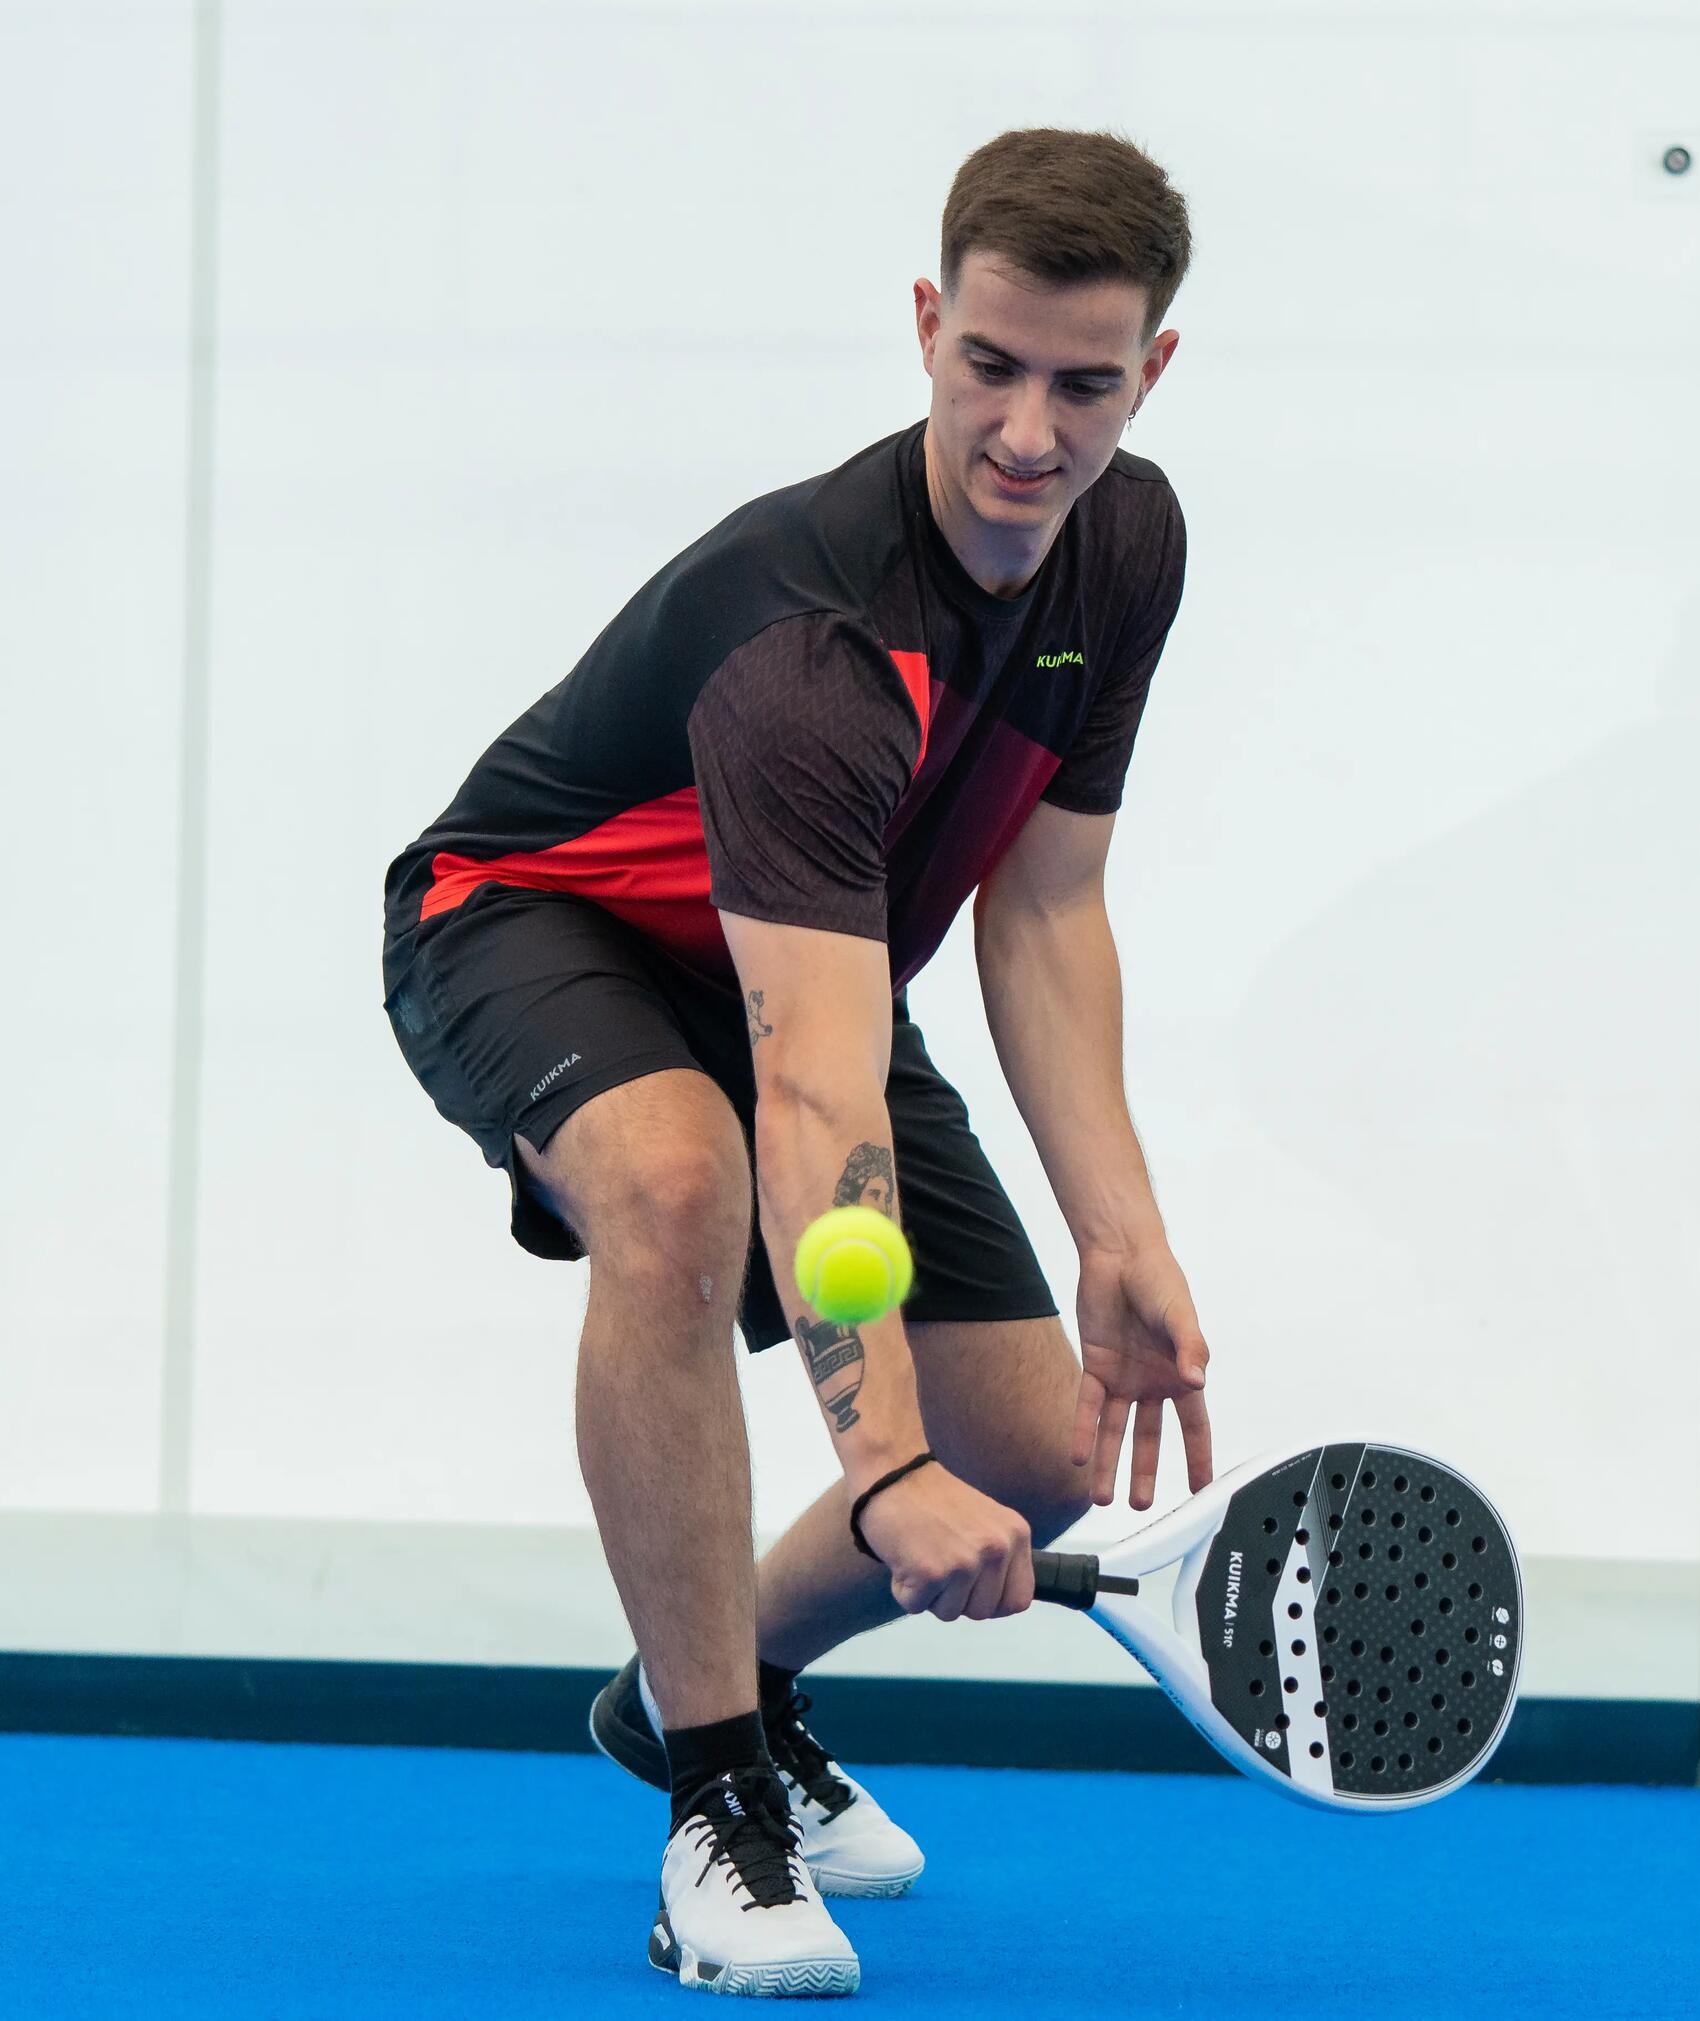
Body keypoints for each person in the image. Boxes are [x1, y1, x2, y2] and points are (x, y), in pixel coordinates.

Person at [380, 124, 1214, 1998]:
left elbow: (1046, 909)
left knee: (1042, 1446)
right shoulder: (818, 645)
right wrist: (883, 1451)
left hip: (805, 958)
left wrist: (1121, 1231)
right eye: (988, 365)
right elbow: (813, 1092)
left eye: (1084, 385)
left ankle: (706, 1684)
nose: (1028, 432)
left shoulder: (1127, 545)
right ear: (927, 324)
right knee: (676, 1192)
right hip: (533, 925)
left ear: (1152, 371)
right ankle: (713, 1796)